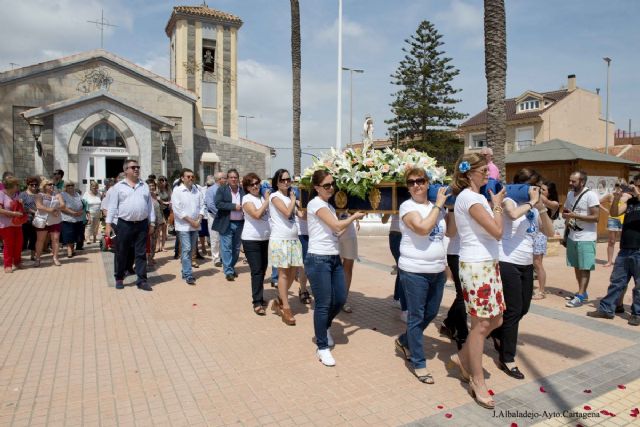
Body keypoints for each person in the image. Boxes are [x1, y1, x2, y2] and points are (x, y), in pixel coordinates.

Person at [449, 153, 506, 410]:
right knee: (481, 324)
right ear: (468, 173)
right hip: (477, 266)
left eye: (487, 170)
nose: (487, 174)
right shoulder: (471, 198)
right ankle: (477, 379)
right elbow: (497, 231)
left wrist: (492, 203)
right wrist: (497, 205)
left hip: (486, 264)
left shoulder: (476, 197)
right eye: (483, 170)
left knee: (496, 319)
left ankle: (462, 358)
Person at [490, 168, 555, 380]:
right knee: (514, 310)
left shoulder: (535, 208)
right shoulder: (509, 199)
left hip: (526, 264)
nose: (537, 191)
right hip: (507, 260)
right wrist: (530, 202)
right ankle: (507, 358)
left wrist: (541, 208)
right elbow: (511, 214)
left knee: (523, 308)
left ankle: (498, 333)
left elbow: (550, 232)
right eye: (534, 187)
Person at [393, 168, 448, 384]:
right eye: (411, 182)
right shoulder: (408, 207)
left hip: (437, 270)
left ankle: (405, 340)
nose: (416, 185)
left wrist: (448, 209)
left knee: (431, 313)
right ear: (408, 187)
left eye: (420, 181)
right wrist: (439, 206)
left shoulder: (438, 207)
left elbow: (449, 233)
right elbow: (423, 228)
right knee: (416, 316)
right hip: (414, 270)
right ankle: (419, 362)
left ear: (427, 183)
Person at [304, 170, 364, 366]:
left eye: (332, 184)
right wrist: (353, 217)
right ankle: (322, 347)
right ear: (317, 188)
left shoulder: (329, 206)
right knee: (323, 303)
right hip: (318, 259)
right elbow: (337, 227)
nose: (331, 188)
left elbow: (335, 232)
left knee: (339, 298)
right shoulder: (315, 204)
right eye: (326, 185)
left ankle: (325, 326)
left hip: (333, 257)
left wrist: (351, 220)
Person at [587, 174, 640, 326]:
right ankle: (606, 309)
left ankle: (637, 313)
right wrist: (616, 198)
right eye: (635, 185)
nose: (635, 188)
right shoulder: (630, 202)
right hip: (625, 248)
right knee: (617, 281)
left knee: (639, 285)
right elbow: (615, 213)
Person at [105, 159, 155, 291]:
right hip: (124, 224)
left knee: (140, 253)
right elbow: (112, 207)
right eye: (133, 167)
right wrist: (108, 225)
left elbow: (150, 206)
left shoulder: (144, 185)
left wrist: (152, 222)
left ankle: (142, 280)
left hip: (142, 225)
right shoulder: (118, 187)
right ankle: (119, 277)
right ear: (126, 170)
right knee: (122, 252)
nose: (136, 169)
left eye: (138, 167)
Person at [268, 169, 304, 326]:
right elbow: (287, 213)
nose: (286, 182)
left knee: (293, 271)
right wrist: (293, 199)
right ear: (277, 182)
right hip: (280, 240)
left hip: (293, 239)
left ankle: (279, 300)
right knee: (283, 274)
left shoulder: (290, 197)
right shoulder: (275, 196)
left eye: (288, 179)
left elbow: (301, 215)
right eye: (282, 180)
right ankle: (286, 307)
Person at [563, 171, 600, 308]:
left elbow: (596, 217)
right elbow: (566, 210)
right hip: (573, 236)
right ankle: (582, 292)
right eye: (570, 180)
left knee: (585, 267)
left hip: (586, 237)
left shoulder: (590, 195)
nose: (570, 183)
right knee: (577, 265)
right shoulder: (570, 194)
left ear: (582, 182)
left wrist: (575, 215)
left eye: (574, 181)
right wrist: (566, 215)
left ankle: (580, 295)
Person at [240, 173, 271, 315]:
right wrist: (267, 200)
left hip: (264, 239)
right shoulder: (246, 199)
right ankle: (257, 302)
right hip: (251, 239)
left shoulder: (261, 198)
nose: (255, 186)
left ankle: (260, 296)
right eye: (251, 184)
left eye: (257, 183)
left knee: (263, 269)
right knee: (257, 271)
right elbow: (257, 215)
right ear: (247, 187)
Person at [171, 168, 205, 285]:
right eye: (188, 176)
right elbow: (178, 210)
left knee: (192, 250)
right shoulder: (177, 191)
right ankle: (188, 274)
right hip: (183, 226)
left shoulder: (197, 190)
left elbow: (202, 206)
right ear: (182, 178)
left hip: (195, 225)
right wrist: (192, 221)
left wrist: (199, 219)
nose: (191, 178)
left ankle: (185, 271)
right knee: (186, 249)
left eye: (192, 176)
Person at [439, 212, 467, 349]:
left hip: (472, 255)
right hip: (456, 253)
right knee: (463, 295)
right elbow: (450, 233)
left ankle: (449, 322)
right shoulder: (453, 206)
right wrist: (455, 211)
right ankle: (463, 334)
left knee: (464, 295)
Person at [212, 168, 244, 281]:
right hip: (226, 223)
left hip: (240, 223)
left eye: (235, 177)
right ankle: (228, 271)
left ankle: (231, 266)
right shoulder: (222, 189)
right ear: (228, 179)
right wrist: (233, 206)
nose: (233, 179)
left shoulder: (242, 191)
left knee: (236, 248)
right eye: (231, 177)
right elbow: (218, 204)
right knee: (226, 248)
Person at [532, 180, 560, 299]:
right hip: (532, 233)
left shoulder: (553, 203)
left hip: (541, 235)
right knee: (531, 264)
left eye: (543, 190)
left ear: (550, 192)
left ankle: (541, 291)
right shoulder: (538, 200)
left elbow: (550, 204)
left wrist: (538, 196)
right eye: (540, 189)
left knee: (538, 264)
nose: (541, 191)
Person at [34, 179, 64, 267]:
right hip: (43, 220)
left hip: (55, 220)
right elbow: (39, 206)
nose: (52, 186)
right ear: (44, 186)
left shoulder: (57, 195)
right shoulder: (39, 195)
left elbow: (62, 205)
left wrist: (57, 209)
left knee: (55, 239)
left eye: (53, 184)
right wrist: (52, 210)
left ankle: (55, 258)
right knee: (40, 240)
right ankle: (38, 258)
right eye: (49, 184)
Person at [0, 176, 27, 272]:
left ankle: (17, 262)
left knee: (19, 243)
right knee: (8, 245)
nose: (18, 186)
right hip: (6, 225)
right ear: (11, 186)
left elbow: (19, 208)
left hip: (17, 224)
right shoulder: (1, 194)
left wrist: (21, 204)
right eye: (17, 184)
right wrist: (13, 214)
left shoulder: (16, 195)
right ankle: (8, 265)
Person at [382, 214, 406, 321]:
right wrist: (389, 212)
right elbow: (384, 220)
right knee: (402, 269)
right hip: (396, 235)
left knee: (402, 269)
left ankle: (397, 298)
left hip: (407, 236)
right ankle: (399, 300)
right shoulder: (394, 201)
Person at [600, 180, 626, 268]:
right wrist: (606, 210)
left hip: (624, 219)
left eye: (622, 185)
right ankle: (609, 261)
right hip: (613, 219)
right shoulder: (610, 195)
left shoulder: (627, 196)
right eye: (618, 185)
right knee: (611, 241)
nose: (620, 187)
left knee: (625, 241)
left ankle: (624, 261)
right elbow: (598, 201)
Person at [205, 172, 227, 267]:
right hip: (214, 216)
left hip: (225, 216)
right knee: (215, 238)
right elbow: (210, 205)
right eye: (224, 178)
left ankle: (223, 256)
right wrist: (220, 213)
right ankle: (216, 258)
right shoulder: (211, 190)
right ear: (219, 179)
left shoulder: (227, 189)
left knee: (224, 237)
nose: (226, 180)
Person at [339, 213, 359, 313]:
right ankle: (332, 299)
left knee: (348, 268)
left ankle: (343, 300)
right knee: (333, 267)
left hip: (349, 234)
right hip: (332, 234)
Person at [60, 182, 85, 258]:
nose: (70, 187)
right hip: (67, 218)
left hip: (78, 218)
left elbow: (83, 204)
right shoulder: (62, 195)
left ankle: (72, 249)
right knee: (68, 234)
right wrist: (73, 213)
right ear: (65, 187)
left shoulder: (77, 194)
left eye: (72, 185)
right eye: (68, 185)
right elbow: (62, 207)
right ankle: (69, 251)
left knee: (76, 235)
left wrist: (81, 211)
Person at [19, 176, 40, 260]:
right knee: (23, 238)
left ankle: (33, 255)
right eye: (32, 184)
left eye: (36, 184)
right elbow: (22, 207)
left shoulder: (39, 194)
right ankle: (19, 256)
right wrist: (33, 211)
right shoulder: (23, 194)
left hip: (37, 219)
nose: (34, 186)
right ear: (28, 185)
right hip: (26, 220)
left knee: (34, 238)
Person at [156, 176, 172, 251]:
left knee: (164, 228)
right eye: (162, 180)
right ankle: (157, 245)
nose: (164, 182)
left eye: (165, 180)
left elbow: (171, 199)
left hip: (166, 210)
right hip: (159, 210)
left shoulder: (168, 189)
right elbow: (157, 199)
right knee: (158, 229)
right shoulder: (157, 190)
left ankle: (163, 246)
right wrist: (164, 202)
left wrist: (170, 204)